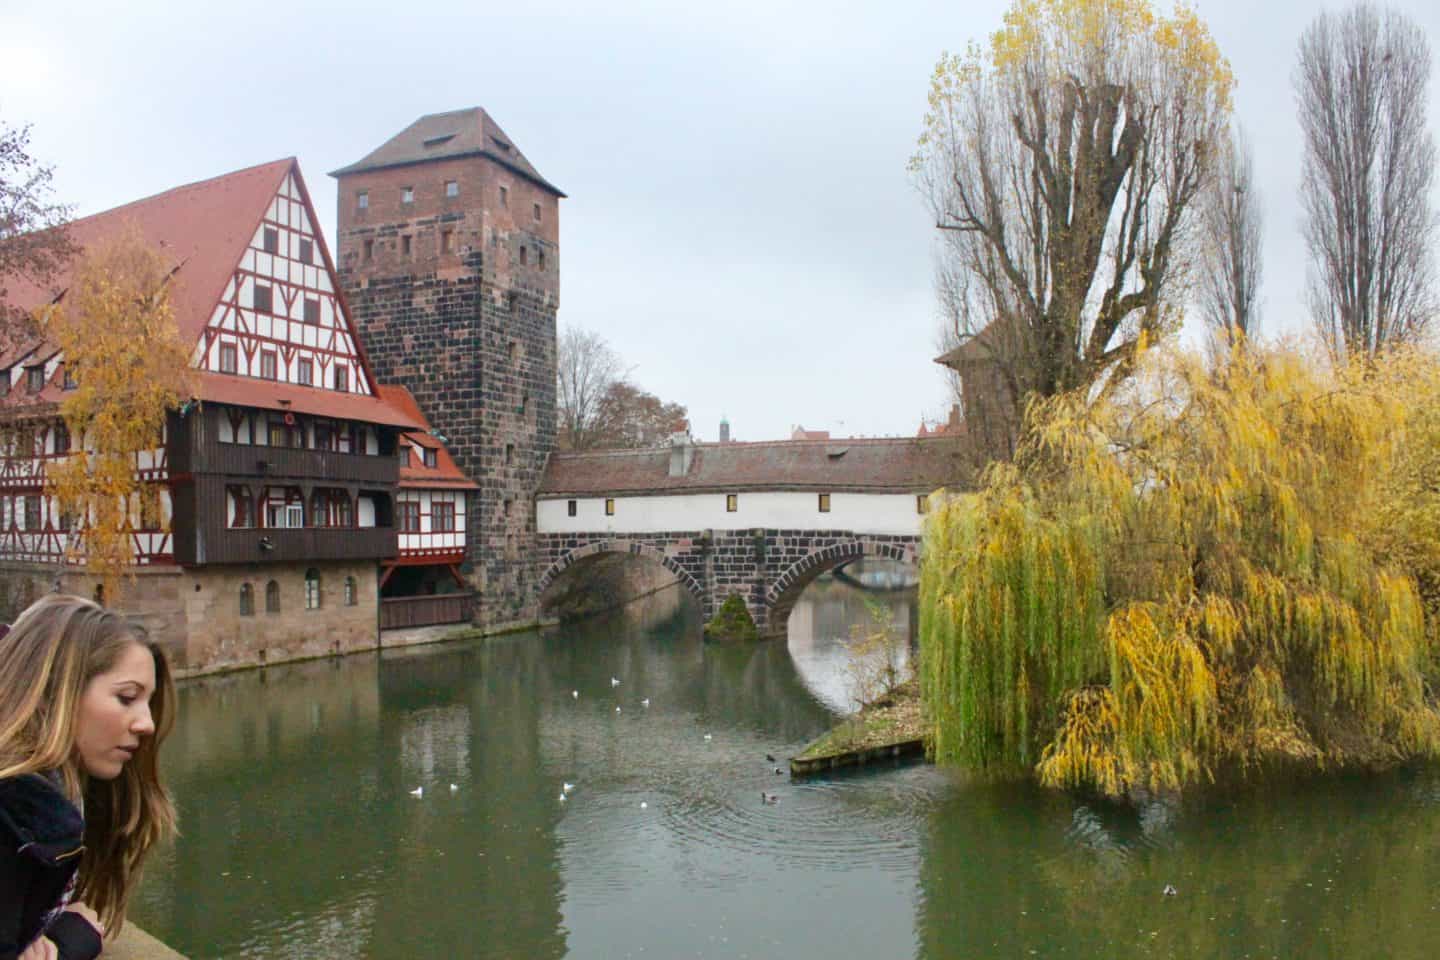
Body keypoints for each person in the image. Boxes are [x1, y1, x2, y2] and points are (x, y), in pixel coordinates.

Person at [0, 595, 176, 960]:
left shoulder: (58, 798)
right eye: (127, 698)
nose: (148, 724)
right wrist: (73, 940)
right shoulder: (13, 818)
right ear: (53, 691)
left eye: (148, 701)